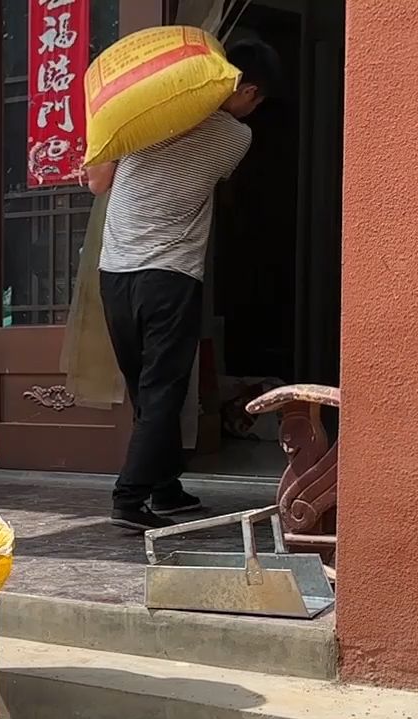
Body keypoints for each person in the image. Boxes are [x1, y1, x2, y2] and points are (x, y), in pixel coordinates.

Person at [86, 37, 282, 532]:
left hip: (115, 274)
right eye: (256, 101)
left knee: (146, 393)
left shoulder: (143, 117)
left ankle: (165, 489)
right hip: (169, 277)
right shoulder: (236, 138)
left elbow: (97, 181)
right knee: (162, 394)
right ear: (248, 90)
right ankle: (129, 498)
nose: (253, 111)